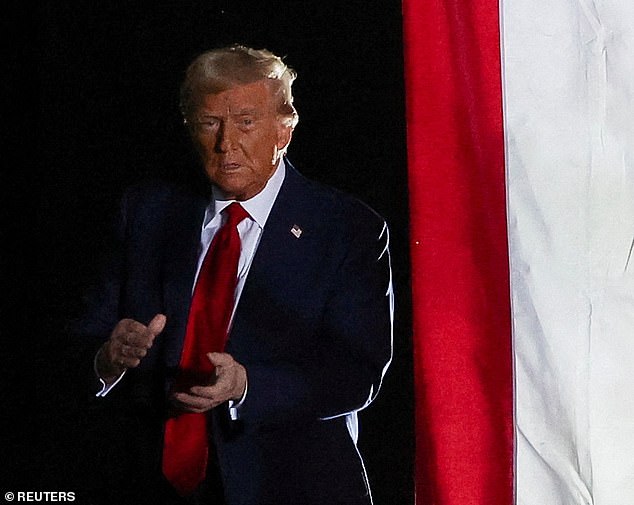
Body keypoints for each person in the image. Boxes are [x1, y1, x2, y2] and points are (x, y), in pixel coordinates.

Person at [77, 44, 393, 505]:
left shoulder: (347, 228)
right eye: (210, 123)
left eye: (246, 122)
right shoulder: (147, 211)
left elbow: (356, 373)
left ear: (283, 129)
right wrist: (109, 356)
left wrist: (247, 385)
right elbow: (79, 340)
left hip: (290, 487)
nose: (227, 143)